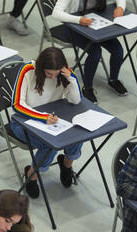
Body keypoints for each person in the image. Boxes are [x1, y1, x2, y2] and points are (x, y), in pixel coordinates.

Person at [11, 47, 83, 198]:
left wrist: (72, 79)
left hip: (53, 119)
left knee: (79, 133)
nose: (52, 77)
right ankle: (32, 175)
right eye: (49, 73)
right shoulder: (27, 70)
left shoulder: (65, 72)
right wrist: (41, 117)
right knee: (49, 143)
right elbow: (17, 104)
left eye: (55, 74)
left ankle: (66, 164)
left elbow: (76, 100)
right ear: (41, 67)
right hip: (23, 121)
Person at [52, 0, 127, 104]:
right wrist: (78, 20)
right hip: (74, 28)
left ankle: (113, 79)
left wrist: (120, 8)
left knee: (118, 50)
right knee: (95, 52)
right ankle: (87, 88)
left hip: (96, 26)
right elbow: (56, 13)